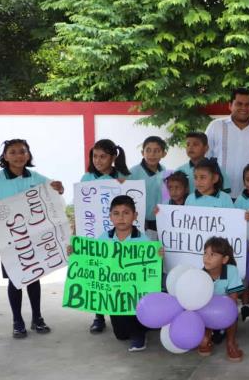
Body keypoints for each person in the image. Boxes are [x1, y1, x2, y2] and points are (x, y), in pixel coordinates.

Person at [0, 139, 64, 338]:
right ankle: (17, 321)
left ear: (28, 155)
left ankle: (37, 318)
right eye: (13, 152)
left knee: (34, 276)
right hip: (10, 240)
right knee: (15, 280)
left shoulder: (35, 177)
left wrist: (59, 188)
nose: (18, 156)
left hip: (34, 238)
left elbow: (55, 191)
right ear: (5, 157)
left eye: (22, 151)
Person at [80, 138, 130, 334]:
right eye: (95, 156)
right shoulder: (86, 179)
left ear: (113, 157)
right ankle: (98, 316)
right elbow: (82, 209)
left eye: (103, 156)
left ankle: (120, 312)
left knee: (117, 273)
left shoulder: (125, 177)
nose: (98, 160)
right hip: (95, 236)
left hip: (119, 235)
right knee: (99, 276)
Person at [94, 196, 152, 352]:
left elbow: (150, 266)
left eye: (126, 213)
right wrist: (76, 252)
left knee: (133, 320)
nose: (121, 217)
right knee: (121, 335)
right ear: (110, 216)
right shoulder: (104, 238)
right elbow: (93, 260)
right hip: (114, 291)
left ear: (135, 216)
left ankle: (139, 333)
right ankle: (140, 328)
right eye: (116, 213)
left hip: (135, 292)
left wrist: (157, 255)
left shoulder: (144, 241)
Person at [205, 88, 249, 198]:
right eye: (239, 104)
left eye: (248, 104)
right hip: (218, 195)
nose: (243, 108)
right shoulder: (215, 126)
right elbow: (205, 160)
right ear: (230, 105)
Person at [197, 237, 245, 362]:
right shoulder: (200, 275)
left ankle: (230, 342)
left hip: (225, 311)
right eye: (205, 253)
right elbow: (198, 305)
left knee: (232, 311)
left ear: (224, 259)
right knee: (204, 342)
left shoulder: (232, 271)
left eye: (212, 254)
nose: (207, 257)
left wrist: (222, 317)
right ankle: (207, 336)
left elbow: (232, 301)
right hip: (206, 311)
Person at [129, 136, 168, 231]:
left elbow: (166, 195)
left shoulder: (164, 170)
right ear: (142, 153)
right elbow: (129, 198)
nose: (152, 154)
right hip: (141, 221)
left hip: (160, 219)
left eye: (157, 151)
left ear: (164, 154)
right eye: (148, 150)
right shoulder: (133, 173)